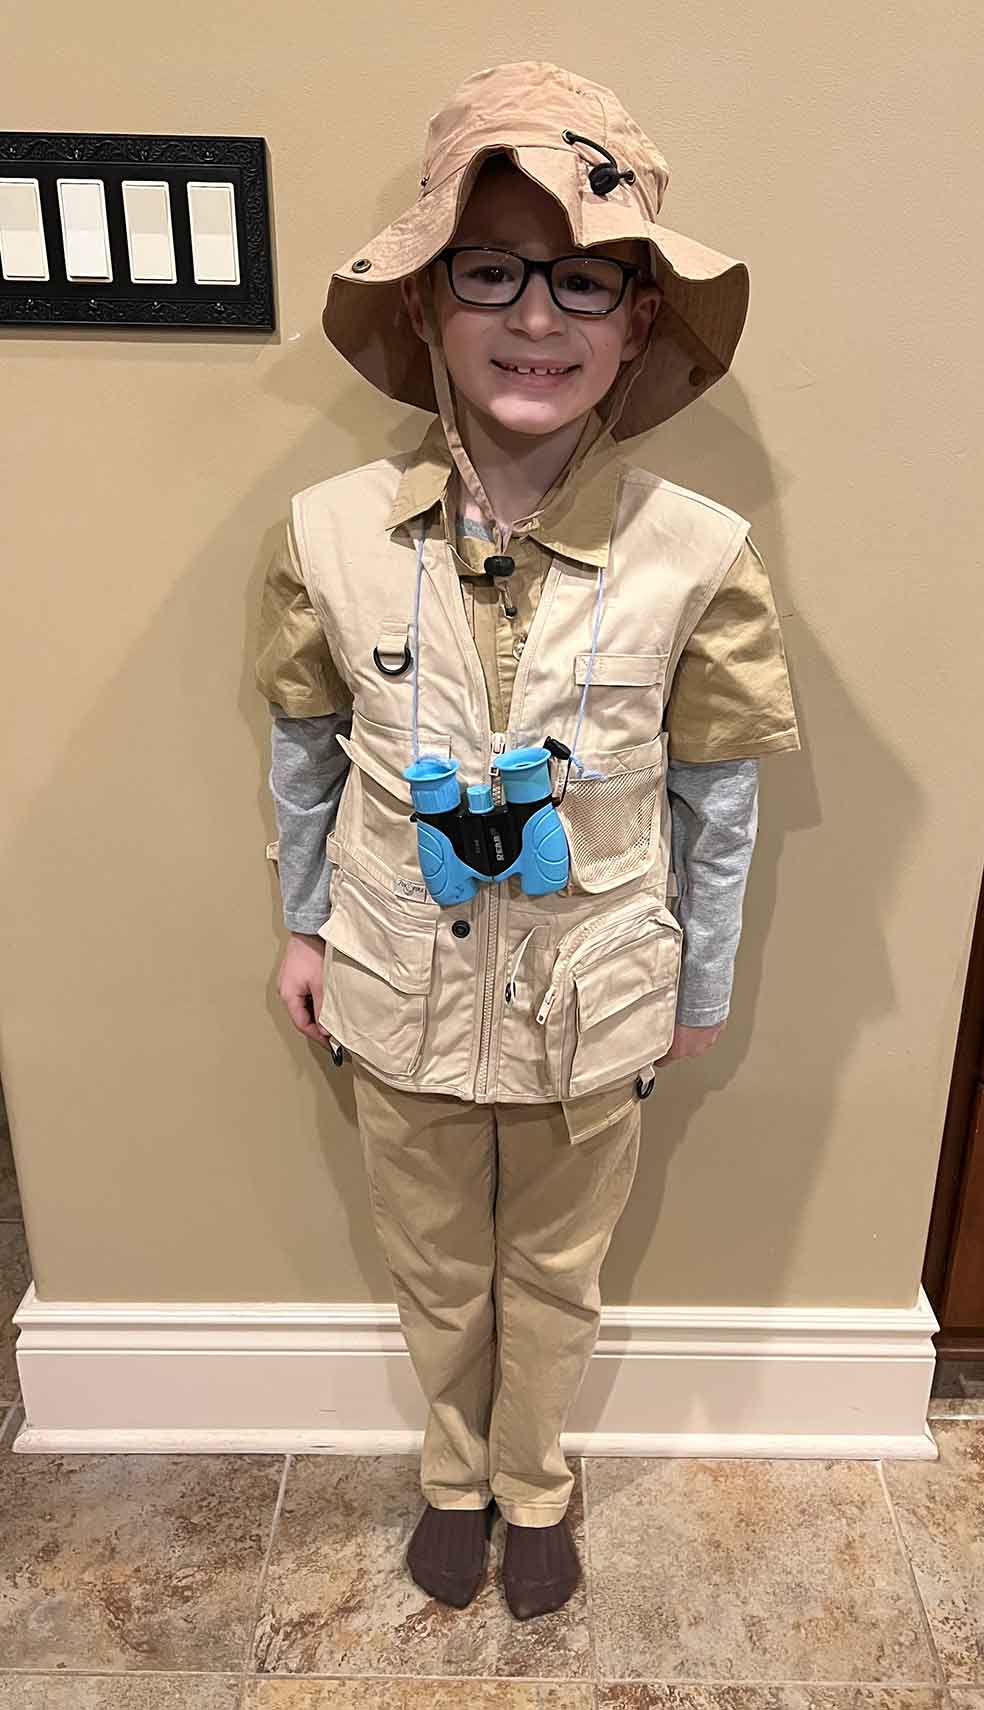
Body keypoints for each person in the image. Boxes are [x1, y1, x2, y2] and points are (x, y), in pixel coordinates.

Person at [254, 61, 801, 1622]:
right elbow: (306, 751)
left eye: (584, 277)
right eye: (492, 270)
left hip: (597, 991)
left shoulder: (700, 558)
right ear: (429, 303)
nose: (537, 316)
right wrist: (304, 923)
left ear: (637, 318)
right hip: (392, 981)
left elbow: (720, 793)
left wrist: (702, 977)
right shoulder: (330, 537)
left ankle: (538, 1480)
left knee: (558, 1269)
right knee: (434, 1264)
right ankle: (449, 1472)